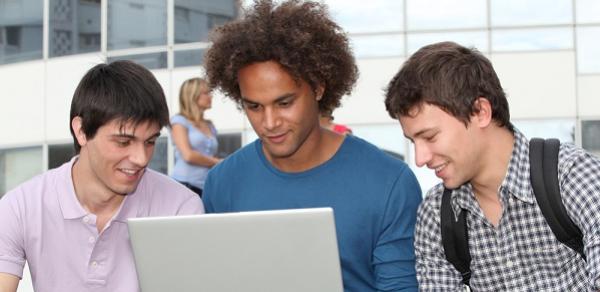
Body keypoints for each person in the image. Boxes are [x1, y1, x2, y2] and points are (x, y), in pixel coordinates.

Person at [202, 0, 422, 291]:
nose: (269, 122)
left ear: (318, 87)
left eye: (284, 103)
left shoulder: (389, 182)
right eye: (254, 106)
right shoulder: (222, 182)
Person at [384, 41, 600, 290]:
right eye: (413, 141)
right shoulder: (435, 216)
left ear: (480, 112)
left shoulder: (572, 177)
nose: (420, 158)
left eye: (430, 137)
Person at [0, 60, 204, 292]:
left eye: (150, 142)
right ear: (81, 131)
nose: (141, 158)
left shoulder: (181, 209)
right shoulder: (21, 207)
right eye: (123, 141)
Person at [170, 77, 221, 197]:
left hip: (206, 186)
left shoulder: (210, 125)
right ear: (193, 95)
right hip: (184, 184)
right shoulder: (179, 121)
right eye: (206, 93)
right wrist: (218, 162)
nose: (211, 96)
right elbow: (188, 155)